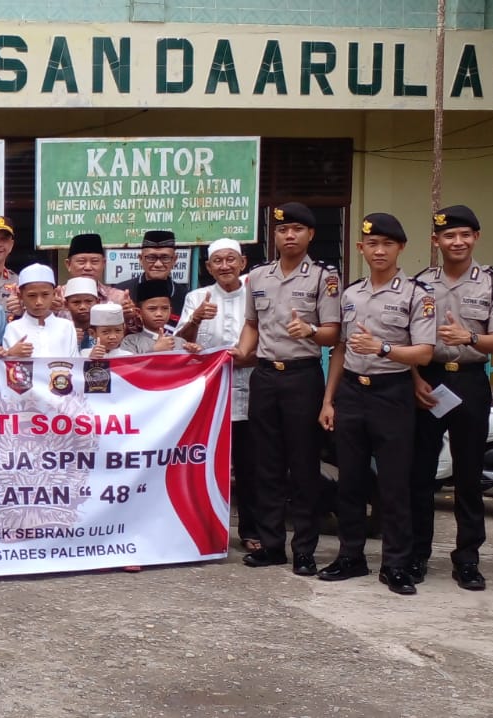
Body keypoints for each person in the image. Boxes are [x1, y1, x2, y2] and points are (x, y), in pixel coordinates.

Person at [317, 213, 436, 595]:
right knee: (350, 479)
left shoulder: (417, 295)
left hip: (392, 393)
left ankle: (396, 563)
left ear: (401, 248)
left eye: (387, 244)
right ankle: (351, 556)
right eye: (372, 244)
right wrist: (329, 400)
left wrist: (383, 348)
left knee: (394, 482)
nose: (379, 250)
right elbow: (339, 350)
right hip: (352, 392)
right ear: (360, 248)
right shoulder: (350, 294)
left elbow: (424, 353)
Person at [230, 202, 341, 576]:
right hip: (264, 377)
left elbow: (333, 333)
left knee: (304, 466)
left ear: (310, 234)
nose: (288, 235)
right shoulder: (258, 277)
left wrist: (309, 330)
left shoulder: (323, 278)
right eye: (282, 230)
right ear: (274, 235)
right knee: (268, 466)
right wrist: (243, 349)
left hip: (302, 378)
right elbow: (251, 324)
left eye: (296, 229)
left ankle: (305, 549)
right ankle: (271, 545)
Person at [409, 206, 493, 591]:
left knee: (468, 475)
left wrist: (468, 337)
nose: (457, 242)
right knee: (419, 474)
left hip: (470, 382)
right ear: (436, 241)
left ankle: (468, 559)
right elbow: (408, 342)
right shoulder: (419, 284)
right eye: (449, 236)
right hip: (429, 381)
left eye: (465, 235)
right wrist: (415, 379)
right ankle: (417, 554)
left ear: (476, 238)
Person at [176, 238, 258, 553]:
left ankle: (251, 531)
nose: (224, 266)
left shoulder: (255, 292)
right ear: (209, 267)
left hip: (251, 392)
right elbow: (182, 343)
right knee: (207, 467)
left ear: (243, 262)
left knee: (250, 468)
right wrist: (196, 319)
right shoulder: (197, 296)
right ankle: (206, 531)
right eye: (218, 261)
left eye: (230, 259)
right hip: (210, 399)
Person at [113, 230, 189, 329]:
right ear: (140, 259)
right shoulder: (121, 292)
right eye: (151, 257)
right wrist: (122, 316)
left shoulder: (185, 296)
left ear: (174, 260)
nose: (158, 264)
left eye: (165, 257)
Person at [0, 264, 77, 358]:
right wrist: (11, 354)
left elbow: (75, 363)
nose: (39, 302)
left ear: (54, 294)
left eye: (45, 294)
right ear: (20, 296)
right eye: (32, 296)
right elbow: (7, 367)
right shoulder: (13, 328)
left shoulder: (66, 327)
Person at [122, 279, 197, 354]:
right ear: (139, 312)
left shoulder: (180, 342)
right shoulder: (130, 341)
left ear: (170, 310)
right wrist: (154, 350)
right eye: (152, 309)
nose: (159, 314)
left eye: (165, 308)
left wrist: (194, 353)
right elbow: (127, 365)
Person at [62, 277, 101, 354]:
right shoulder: (60, 332)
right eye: (76, 302)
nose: (82, 307)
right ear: (66, 305)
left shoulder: (104, 332)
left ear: (97, 302)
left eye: (88, 301)